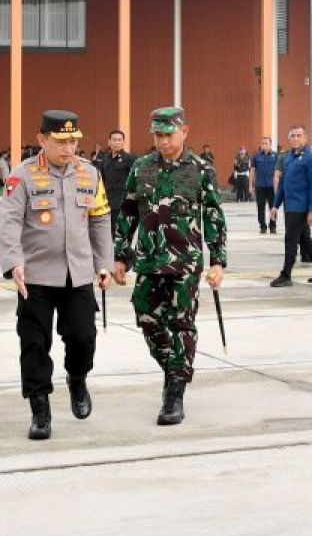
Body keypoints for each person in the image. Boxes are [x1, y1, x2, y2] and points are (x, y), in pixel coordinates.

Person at [0, 111, 113, 440]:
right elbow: (8, 224)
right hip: (34, 275)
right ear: (42, 140)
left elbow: (100, 220)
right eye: (61, 142)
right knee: (34, 343)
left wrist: (103, 262)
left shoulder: (90, 174)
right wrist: (13, 262)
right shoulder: (22, 177)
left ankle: (77, 379)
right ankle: (40, 408)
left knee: (83, 337)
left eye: (73, 141)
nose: (69, 148)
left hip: (78, 273)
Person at [112, 107, 227, 426]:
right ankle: (176, 367)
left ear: (184, 131)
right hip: (148, 260)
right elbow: (129, 212)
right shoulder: (142, 167)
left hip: (184, 263)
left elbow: (213, 215)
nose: (162, 141)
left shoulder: (201, 169)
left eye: (168, 134)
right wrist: (121, 255)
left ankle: (174, 392)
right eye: (157, 135)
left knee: (180, 324)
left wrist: (218, 261)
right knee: (147, 319)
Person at [270, 125, 312, 287]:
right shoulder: (288, 158)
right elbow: (283, 184)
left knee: (291, 240)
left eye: (299, 135)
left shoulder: (311, 158)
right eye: (293, 136)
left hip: (301, 207)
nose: (296, 138)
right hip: (290, 207)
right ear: (289, 139)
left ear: (305, 138)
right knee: (305, 240)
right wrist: (275, 205)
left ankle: (286, 275)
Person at [93, 129, 136, 238]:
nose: (116, 142)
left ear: (123, 142)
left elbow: (135, 180)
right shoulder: (105, 159)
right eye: (114, 140)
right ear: (109, 142)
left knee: (121, 234)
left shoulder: (129, 159)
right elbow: (100, 179)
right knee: (108, 233)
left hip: (122, 203)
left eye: (119, 140)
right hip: (106, 203)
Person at [250, 137, 278, 234]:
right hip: (260, 185)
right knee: (260, 207)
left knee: (273, 207)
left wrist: (278, 186)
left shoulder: (276, 156)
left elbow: (278, 172)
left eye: (266, 143)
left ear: (270, 144)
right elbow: (252, 171)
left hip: (272, 186)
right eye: (262, 143)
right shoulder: (256, 157)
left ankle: (273, 226)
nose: (264, 145)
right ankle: (262, 226)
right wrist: (251, 186)